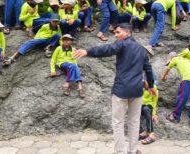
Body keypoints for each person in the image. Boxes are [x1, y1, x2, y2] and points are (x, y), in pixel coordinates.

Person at [73, 23, 156, 154]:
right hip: (137, 91)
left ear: (127, 32)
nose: (116, 35)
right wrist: (151, 86)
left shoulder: (122, 44)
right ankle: (133, 150)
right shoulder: (141, 49)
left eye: (118, 32)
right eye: (115, 33)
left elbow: (107, 49)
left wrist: (87, 51)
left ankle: (120, 151)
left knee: (118, 122)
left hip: (121, 90)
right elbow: (148, 69)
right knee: (134, 121)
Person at [161, 52, 190, 124]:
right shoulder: (184, 59)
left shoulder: (174, 59)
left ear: (171, 58)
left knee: (182, 97)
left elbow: (167, 68)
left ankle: (175, 116)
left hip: (188, 78)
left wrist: (163, 77)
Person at [49, 34, 85, 98]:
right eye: (64, 40)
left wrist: (77, 68)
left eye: (68, 40)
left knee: (74, 66)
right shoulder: (59, 48)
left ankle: (77, 86)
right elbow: (53, 60)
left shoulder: (73, 49)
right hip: (62, 64)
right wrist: (52, 70)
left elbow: (75, 60)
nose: (66, 41)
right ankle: (73, 85)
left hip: (71, 65)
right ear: (62, 41)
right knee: (73, 66)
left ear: (71, 41)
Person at [139, 79, 159, 145]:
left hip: (148, 105)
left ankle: (151, 134)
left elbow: (154, 102)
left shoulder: (154, 88)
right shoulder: (140, 86)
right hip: (140, 105)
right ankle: (142, 132)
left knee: (145, 109)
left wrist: (154, 114)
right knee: (134, 111)